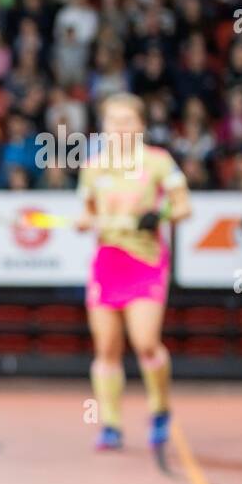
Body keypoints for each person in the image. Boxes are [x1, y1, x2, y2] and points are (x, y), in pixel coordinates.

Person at [77, 93, 191, 452]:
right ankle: (110, 424)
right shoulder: (93, 167)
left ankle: (160, 410)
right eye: (113, 121)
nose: (120, 127)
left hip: (145, 260)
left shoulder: (158, 161)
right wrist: (85, 221)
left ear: (141, 125)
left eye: (127, 121)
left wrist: (159, 216)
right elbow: (88, 212)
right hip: (107, 262)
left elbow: (183, 207)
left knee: (145, 343)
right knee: (106, 348)